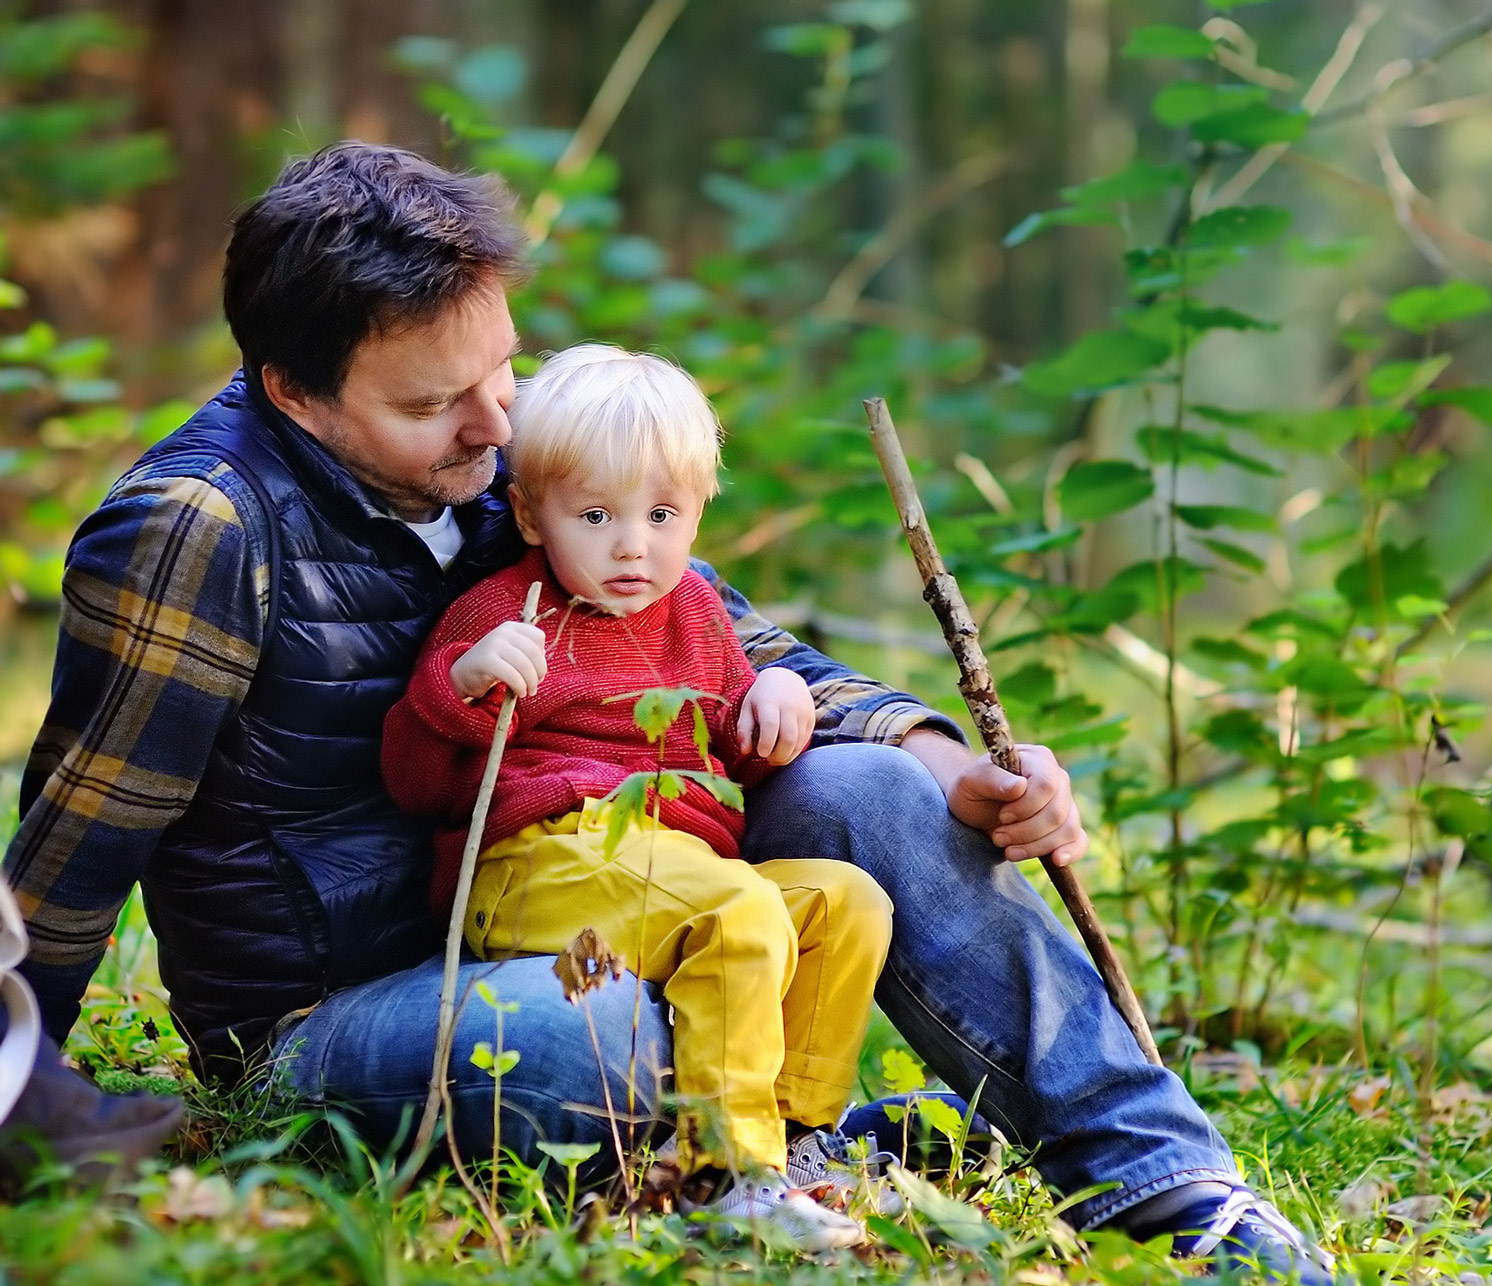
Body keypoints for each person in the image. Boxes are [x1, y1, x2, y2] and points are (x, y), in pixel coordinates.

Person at [0, 140, 1333, 1282]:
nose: (493, 427)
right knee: (594, 1029)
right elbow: (82, 833)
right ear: (295, 392)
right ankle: (815, 1146)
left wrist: (951, 765)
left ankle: (1166, 1183)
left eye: (501, 372)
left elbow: (737, 636)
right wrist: (23, 1094)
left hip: (610, 902)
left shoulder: (495, 453)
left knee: (872, 787)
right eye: (430, 404)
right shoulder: (202, 529)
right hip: (358, 1010)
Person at [381, 343, 885, 1248]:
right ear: (533, 515)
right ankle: (723, 1173)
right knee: (738, 912)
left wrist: (773, 706)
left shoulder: (694, 611)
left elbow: (729, 752)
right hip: (539, 860)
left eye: (661, 513)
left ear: (697, 512)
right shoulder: (504, 613)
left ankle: (797, 1139)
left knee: (846, 902)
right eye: (597, 515)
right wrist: (463, 685)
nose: (632, 545)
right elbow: (414, 781)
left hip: (671, 861)